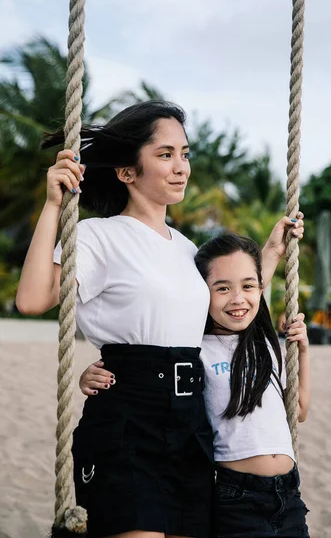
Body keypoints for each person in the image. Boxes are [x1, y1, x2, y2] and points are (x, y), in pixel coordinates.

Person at [16, 100, 304, 538]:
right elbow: (33, 300)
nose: (181, 167)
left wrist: (270, 253)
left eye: (184, 154)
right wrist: (54, 207)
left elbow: (229, 312)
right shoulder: (98, 236)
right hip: (130, 416)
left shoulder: (189, 250)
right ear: (127, 171)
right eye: (165, 155)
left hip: (191, 422)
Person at [81, 233, 311, 538]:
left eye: (247, 287)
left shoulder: (263, 344)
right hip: (235, 496)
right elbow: (152, 359)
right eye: (222, 289)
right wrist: (92, 374)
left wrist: (303, 353)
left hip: (289, 494)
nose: (238, 298)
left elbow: (298, 411)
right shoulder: (195, 347)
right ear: (202, 295)